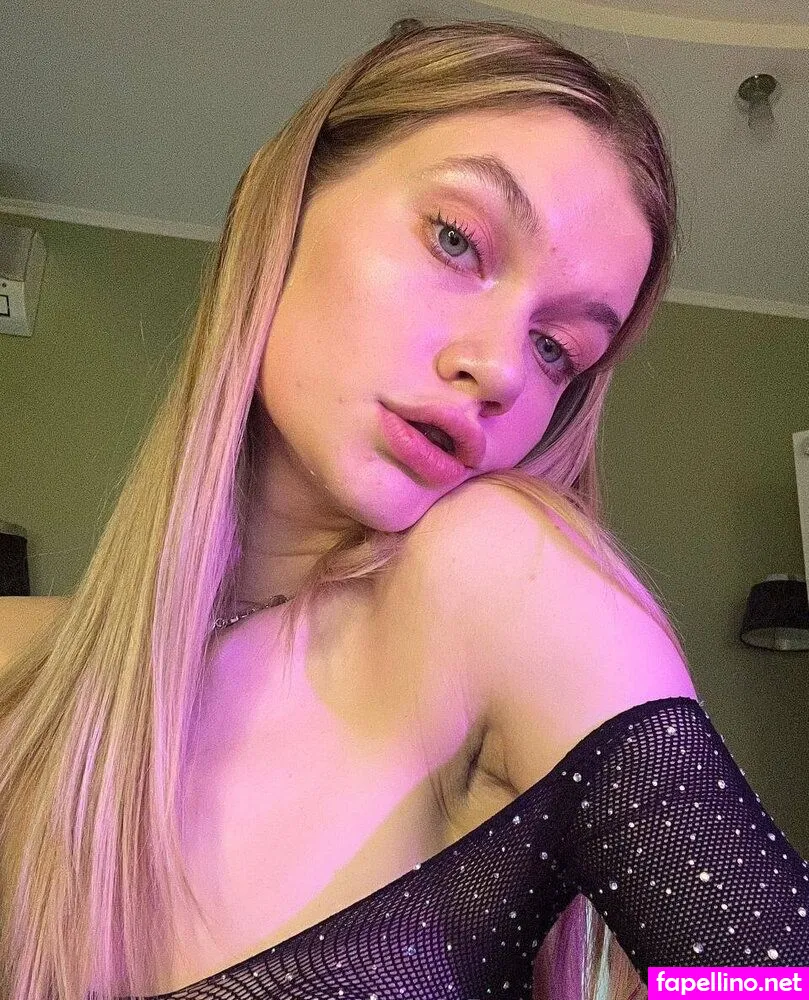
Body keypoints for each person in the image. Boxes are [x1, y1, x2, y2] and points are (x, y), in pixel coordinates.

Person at [0, 17, 807, 1000]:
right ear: (282, 204)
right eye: (457, 239)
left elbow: (772, 982)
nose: (500, 368)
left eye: (557, 349)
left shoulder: (493, 577)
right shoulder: (15, 665)